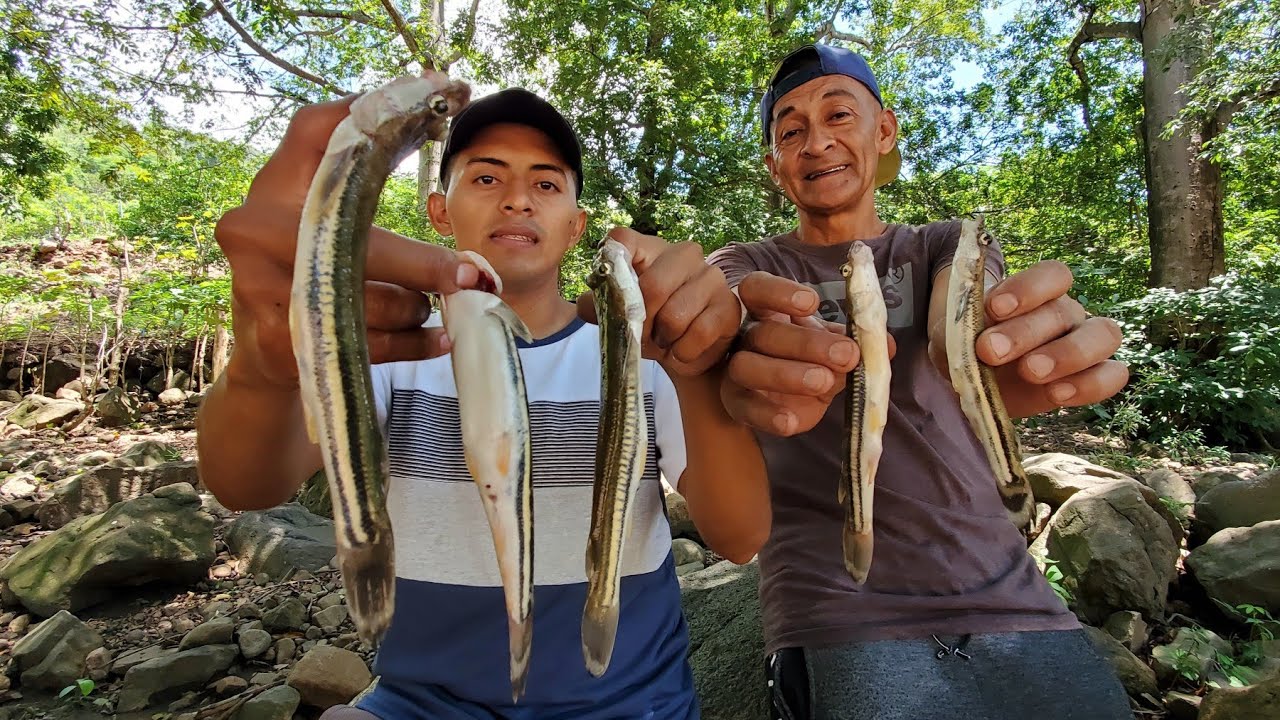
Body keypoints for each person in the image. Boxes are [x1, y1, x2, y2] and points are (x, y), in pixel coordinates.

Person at [196, 84, 772, 719]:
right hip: (420, 705)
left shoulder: (640, 358)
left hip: (634, 705)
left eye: (547, 184)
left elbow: (741, 536)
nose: (518, 199)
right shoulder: (389, 349)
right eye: (487, 177)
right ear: (440, 210)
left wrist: (694, 368)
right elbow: (242, 483)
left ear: (577, 225)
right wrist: (266, 370)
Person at [706, 44, 1134, 720]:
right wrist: (723, 337)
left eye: (839, 115)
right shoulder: (750, 261)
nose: (817, 142)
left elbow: (957, 317)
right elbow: (722, 308)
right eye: (791, 131)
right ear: (775, 166)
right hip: (838, 607)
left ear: (885, 130)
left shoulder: (946, 242)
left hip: (1016, 600)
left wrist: (990, 342)